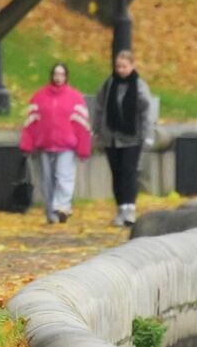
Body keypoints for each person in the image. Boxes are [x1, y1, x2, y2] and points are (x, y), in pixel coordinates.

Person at [20, 63, 93, 223]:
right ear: (51, 76)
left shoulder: (75, 98)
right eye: (56, 74)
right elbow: (30, 122)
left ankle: (62, 207)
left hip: (66, 145)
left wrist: (83, 147)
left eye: (61, 74)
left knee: (64, 176)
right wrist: (27, 144)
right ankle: (51, 213)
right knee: (46, 181)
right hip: (44, 145)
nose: (58, 78)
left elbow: (82, 125)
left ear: (66, 76)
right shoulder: (39, 97)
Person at [92, 49, 156, 227]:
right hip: (111, 137)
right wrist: (96, 130)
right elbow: (99, 108)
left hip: (131, 137)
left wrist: (148, 134)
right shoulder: (109, 84)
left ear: (132, 66)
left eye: (124, 66)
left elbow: (146, 112)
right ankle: (121, 207)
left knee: (129, 172)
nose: (120, 70)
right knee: (117, 173)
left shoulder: (139, 85)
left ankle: (130, 208)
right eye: (118, 66)